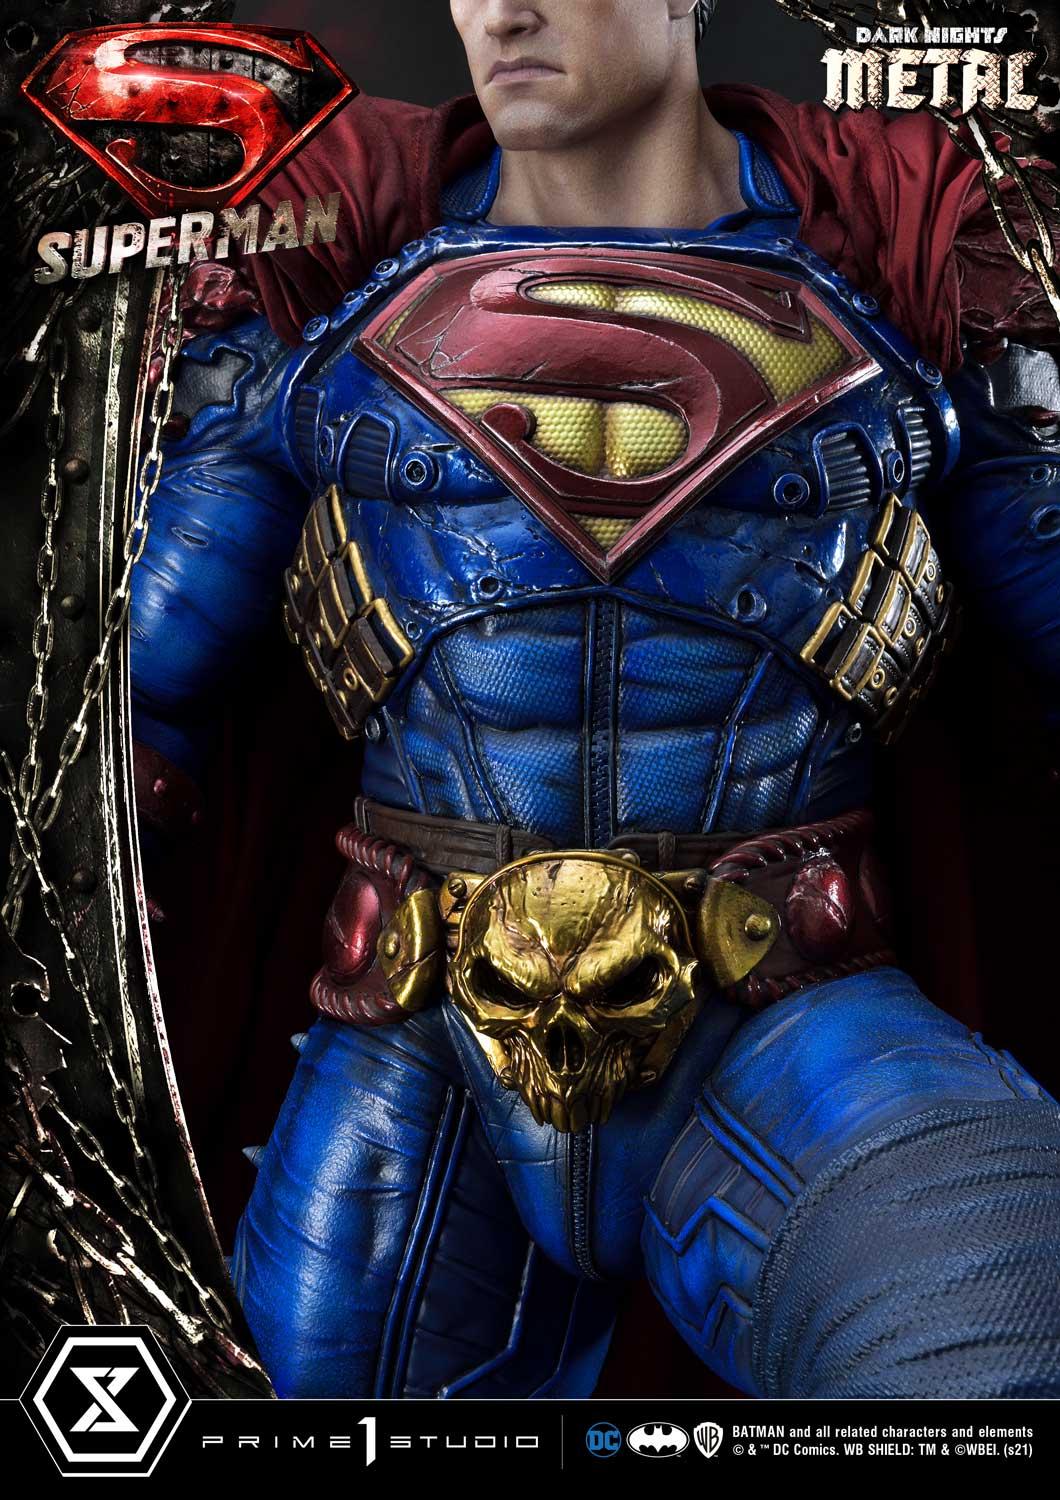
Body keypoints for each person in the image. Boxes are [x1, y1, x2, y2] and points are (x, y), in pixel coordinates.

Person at [131, 0, 1060, 1399]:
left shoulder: (917, 258)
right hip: (421, 1043)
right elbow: (133, 711)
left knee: (998, 1358)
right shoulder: (321, 284)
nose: (505, 11)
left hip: (785, 1016)